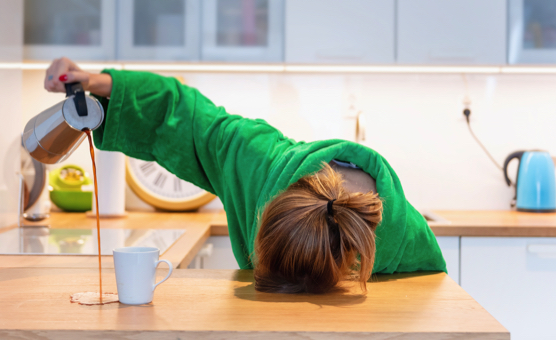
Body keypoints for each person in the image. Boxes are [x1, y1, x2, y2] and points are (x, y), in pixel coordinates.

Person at [44, 57, 446, 294]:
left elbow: (430, 304)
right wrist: (101, 84)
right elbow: (185, 115)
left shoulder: (404, 240)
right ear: (265, 207)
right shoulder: (256, 162)